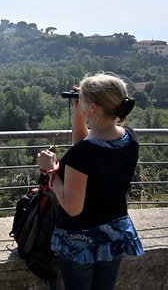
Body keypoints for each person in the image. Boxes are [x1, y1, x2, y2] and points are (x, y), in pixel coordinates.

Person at [37, 71, 144, 290]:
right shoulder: (129, 138)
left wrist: (51, 172)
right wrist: (79, 113)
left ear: (93, 108)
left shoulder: (83, 154)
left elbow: (73, 207)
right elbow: (88, 149)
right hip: (114, 232)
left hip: (80, 240)